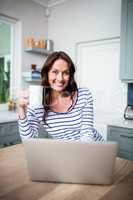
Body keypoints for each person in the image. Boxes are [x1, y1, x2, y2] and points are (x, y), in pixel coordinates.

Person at [18, 51, 104, 142]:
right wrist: (21, 109)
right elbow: (29, 140)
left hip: (94, 146)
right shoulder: (37, 102)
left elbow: (87, 133)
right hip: (68, 151)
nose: (60, 78)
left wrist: (79, 153)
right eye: (55, 72)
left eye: (65, 73)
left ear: (70, 75)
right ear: (47, 74)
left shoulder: (84, 95)